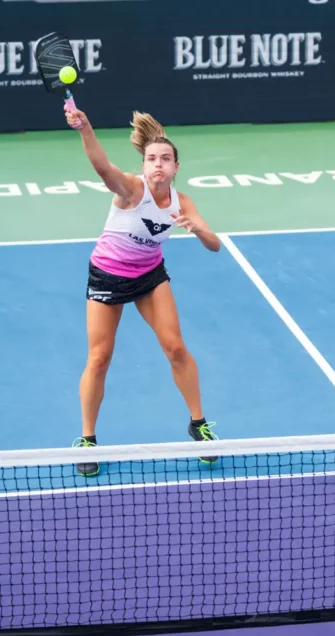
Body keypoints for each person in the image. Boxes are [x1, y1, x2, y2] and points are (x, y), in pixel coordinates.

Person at [64, 104, 222, 475]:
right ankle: (87, 439)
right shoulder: (131, 190)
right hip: (107, 275)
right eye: (152, 158)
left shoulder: (183, 202)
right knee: (100, 358)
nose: (158, 165)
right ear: (144, 163)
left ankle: (199, 424)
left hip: (149, 276)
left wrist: (197, 228)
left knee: (176, 348)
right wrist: (85, 127)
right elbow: (102, 168)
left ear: (176, 167)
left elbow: (214, 244)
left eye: (166, 159)